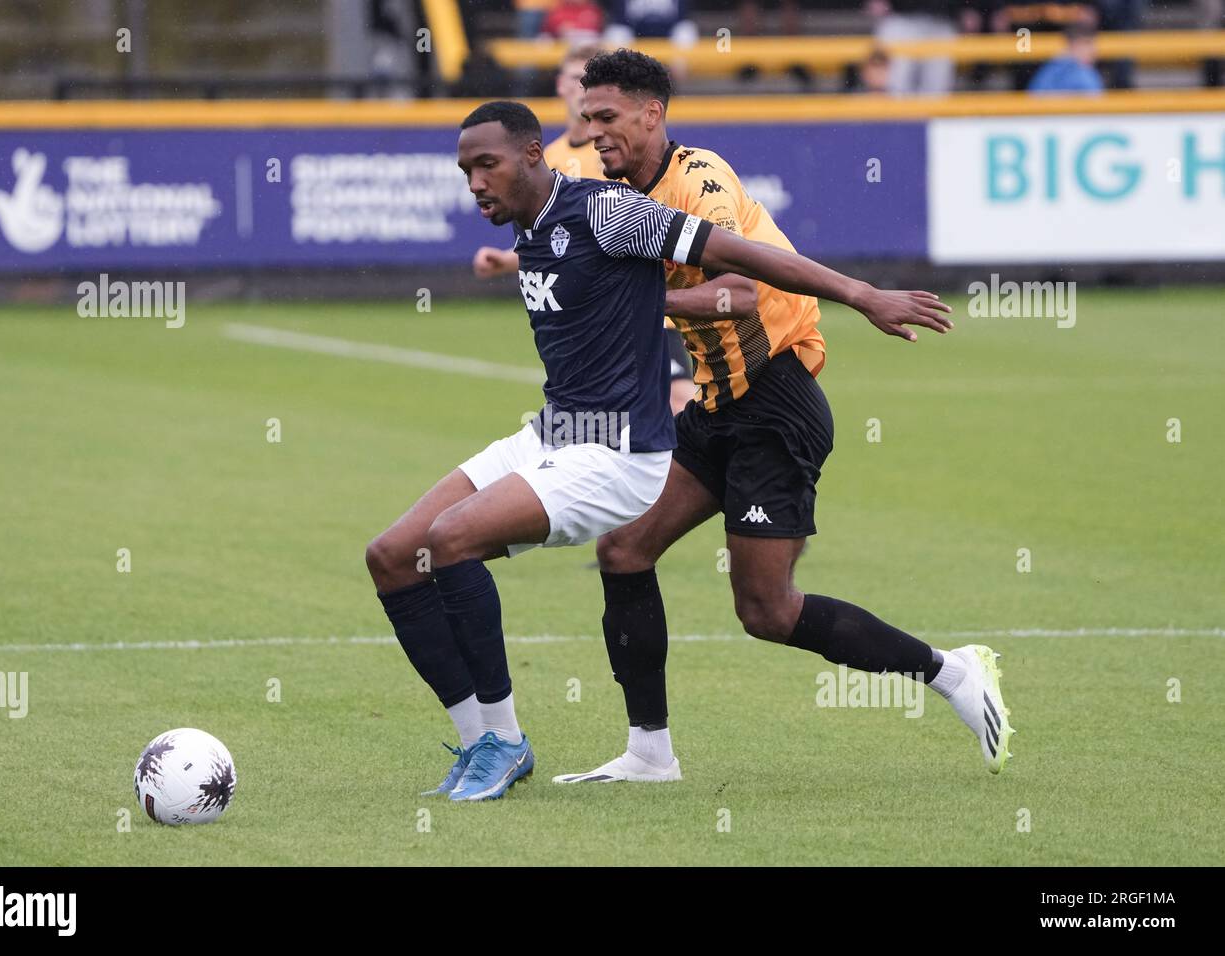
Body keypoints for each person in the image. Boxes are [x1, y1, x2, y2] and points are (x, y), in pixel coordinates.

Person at [366, 99, 955, 801]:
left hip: (617, 452)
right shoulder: (532, 227)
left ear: (533, 153)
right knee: (395, 555)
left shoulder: (607, 211)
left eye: (486, 165)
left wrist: (862, 294)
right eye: (465, 171)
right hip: (556, 431)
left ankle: (507, 742)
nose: (474, 183)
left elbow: (742, 261)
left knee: (451, 540)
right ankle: (477, 744)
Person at [547, 50, 1014, 786]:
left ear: (651, 114)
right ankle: (649, 754)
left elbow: (735, 291)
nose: (593, 132)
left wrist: (862, 297)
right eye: (587, 118)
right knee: (624, 551)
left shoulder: (699, 179)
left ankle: (951, 671)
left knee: (765, 610)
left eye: (607, 118)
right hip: (716, 404)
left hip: (776, 401)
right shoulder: (615, 192)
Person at [472, 45, 696, 415]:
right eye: (575, 79)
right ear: (560, 86)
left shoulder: (619, 152)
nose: (581, 89)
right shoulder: (546, 162)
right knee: (600, 422)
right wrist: (506, 260)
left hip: (643, 310)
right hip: (586, 319)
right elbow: (556, 246)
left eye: (587, 81)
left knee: (678, 400)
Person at [1028, 24, 1104, 95]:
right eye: (1087, 43)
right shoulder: (1057, 69)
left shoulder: (1054, 67)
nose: (1093, 50)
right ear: (1073, 45)